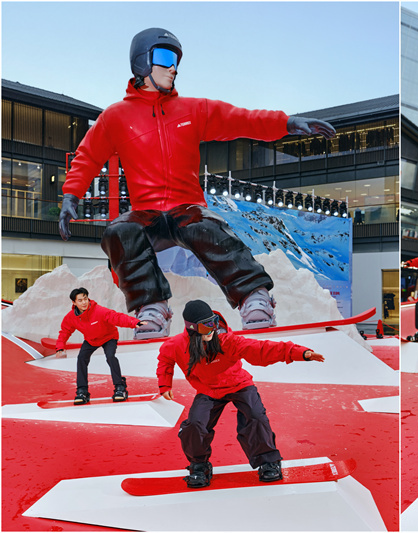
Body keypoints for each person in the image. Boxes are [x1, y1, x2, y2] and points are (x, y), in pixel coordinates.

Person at [58, 28, 336, 340]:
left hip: (185, 207)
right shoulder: (116, 117)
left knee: (207, 225)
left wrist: (285, 123)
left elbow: (241, 119)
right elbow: (87, 156)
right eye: (164, 58)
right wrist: (71, 195)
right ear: (141, 62)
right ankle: (152, 309)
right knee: (119, 231)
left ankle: (253, 298)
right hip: (146, 213)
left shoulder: (193, 110)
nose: (173, 67)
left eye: (176, 60)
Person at [157, 299, 325, 487]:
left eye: (214, 323)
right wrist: (165, 385)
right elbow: (165, 358)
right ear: (192, 329)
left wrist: (299, 353)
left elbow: (260, 349)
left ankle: (268, 462)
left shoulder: (225, 340)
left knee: (255, 415)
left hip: (238, 383)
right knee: (195, 424)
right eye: (206, 327)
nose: (212, 330)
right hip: (208, 389)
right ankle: (199, 466)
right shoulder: (177, 345)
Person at [54, 287, 144, 404]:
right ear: (74, 303)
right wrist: (60, 347)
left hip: (108, 337)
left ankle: (120, 387)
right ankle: (82, 391)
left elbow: (117, 317)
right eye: (80, 300)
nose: (84, 302)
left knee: (110, 357)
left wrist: (134, 322)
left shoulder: (99, 311)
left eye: (85, 299)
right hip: (91, 340)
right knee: (81, 358)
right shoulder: (71, 317)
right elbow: (65, 331)